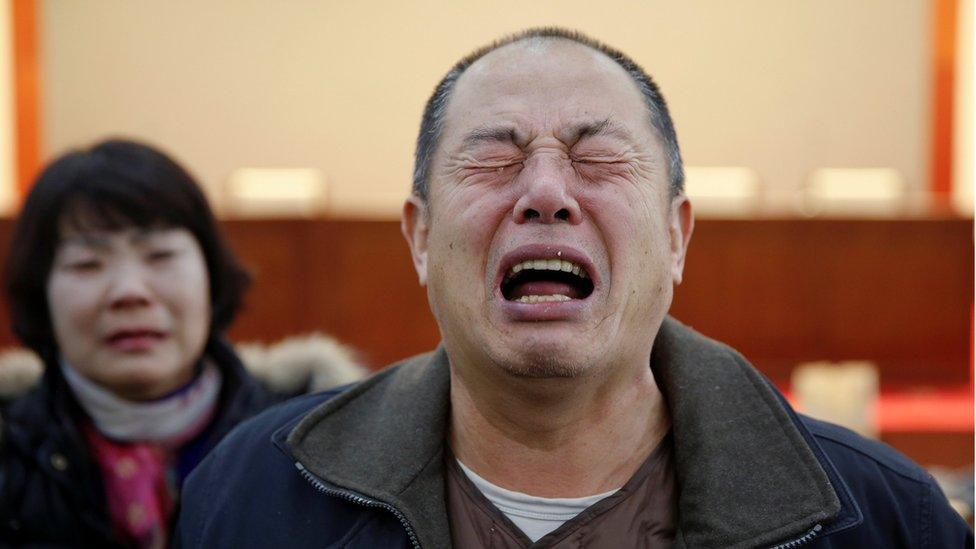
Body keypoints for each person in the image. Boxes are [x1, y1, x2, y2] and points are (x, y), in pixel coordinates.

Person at [175, 28, 972, 548]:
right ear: (420, 238)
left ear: (676, 235)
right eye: (495, 156)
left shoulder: (883, 520)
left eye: (597, 157)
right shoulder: (250, 497)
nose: (547, 191)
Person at [0, 139, 360, 547]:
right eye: (87, 264)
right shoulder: (9, 454)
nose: (129, 291)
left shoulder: (317, 444)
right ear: (39, 292)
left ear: (211, 274)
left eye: (160, 255)